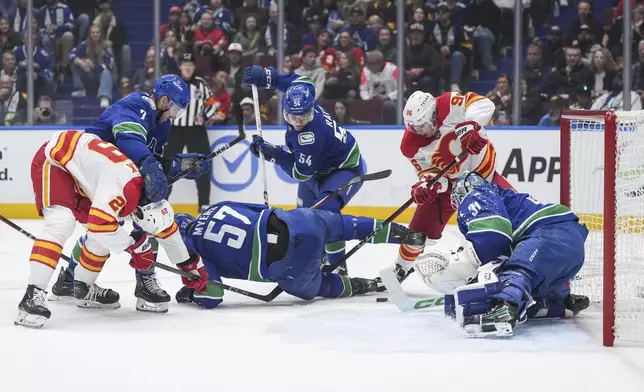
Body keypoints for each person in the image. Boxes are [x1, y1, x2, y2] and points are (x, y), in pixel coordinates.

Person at [49, 74, 210, 312]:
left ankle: (70, 279)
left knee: (109, 228)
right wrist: (151, 165)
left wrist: (177, 166)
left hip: (115, 177)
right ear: (164, 100)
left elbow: (149, 160)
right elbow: (130, 140)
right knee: (146, 216)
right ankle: (144, 282)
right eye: (175, 108)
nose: (176, 115)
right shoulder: (136, 104)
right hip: (91, 174)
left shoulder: (163, 123)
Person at [15, 131, 208, 328]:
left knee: (106, 232)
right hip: (57, 159)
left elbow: (167, 231)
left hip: (84, 174)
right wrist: (134, 246)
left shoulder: (150, 194)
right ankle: (32, 295)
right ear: (140, 214)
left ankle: (83, 288)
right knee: (61, 223)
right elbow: (101, 226)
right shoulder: (124, 187)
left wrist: (188, 264)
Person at [415, 171, 589, 337]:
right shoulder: (504, 200)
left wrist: (464, 264)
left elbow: (493, 235)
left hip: (550, 233)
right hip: (569, 244)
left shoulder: (478, 193)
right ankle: (559, 302)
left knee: (518, 271)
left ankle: (507, 308)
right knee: (529, 272)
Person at [382, 89, 513, 287]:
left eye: (422, 126)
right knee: (418, 230)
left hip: (484, 178)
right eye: (413, 128)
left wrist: (471, 125)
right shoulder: (410, 144)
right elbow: (428, 171)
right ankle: (401, 269)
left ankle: (517, 266)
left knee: (515, 216)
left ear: (433, 115)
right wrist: (427, 185)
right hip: (449, 186)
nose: (419, 132)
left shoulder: (449, 103)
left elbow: (485, 104)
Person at [242, 65, 365, 275]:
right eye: (293, 117)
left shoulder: (310, 137)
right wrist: (268, 78)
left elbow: (301, 174)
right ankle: (318, 254)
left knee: (327, 214)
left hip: (344, 168)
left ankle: (337, 266)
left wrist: (275, 154)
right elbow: (301, 80)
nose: (298, 122)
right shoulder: (305, 92)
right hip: (319, 168)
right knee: (303, 216)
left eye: (303, 118)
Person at [174, 202, 408, 308]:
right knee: (345, 225)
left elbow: (213, 296)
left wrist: (193, 294)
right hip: (301, 223)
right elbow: (263, 209)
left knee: (319, 286)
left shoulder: (193, 250)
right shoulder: (217, 206)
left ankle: (365, 285)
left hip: (292, 269)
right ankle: (403, 233)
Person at [165, 53, 217, 212]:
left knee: (202, 164)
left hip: (196, 130)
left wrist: (205, 116)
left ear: (194, 67)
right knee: (167, 166)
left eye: (190, 64)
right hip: (174, 130)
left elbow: (212, 105)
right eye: (184, 64)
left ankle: (204, 205)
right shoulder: (172, 83)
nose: (187, 67)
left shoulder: (201, 84)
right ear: (180, 66)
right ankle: (161, 203)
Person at [69, 25, 114, 108]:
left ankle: (104, 97)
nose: (95, 35)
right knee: (74, 63)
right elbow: (72, 55)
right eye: (93, 33)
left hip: (102, 77)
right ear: (89, 34)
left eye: (97, 32)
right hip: (88, 74)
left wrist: (93, 66)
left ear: (101, 34)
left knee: (106, 72)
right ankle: (80, 88)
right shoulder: (84, 44)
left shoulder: (107, 46)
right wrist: (81, 62)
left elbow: (109, 66)